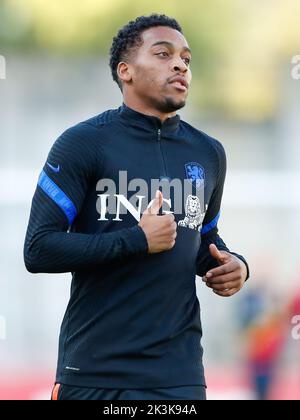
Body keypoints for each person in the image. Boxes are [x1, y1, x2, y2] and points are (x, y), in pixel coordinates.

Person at [24, 14, 249, 401]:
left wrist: (232, 265)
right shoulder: (83, 143)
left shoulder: (209, 152)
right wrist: (137, 240)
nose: (180, 64)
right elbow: (39, 249)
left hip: (180, 377)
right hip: (95, 373)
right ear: (124, 70)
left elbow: (202, 236)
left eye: (186, 59)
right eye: (163, 54)